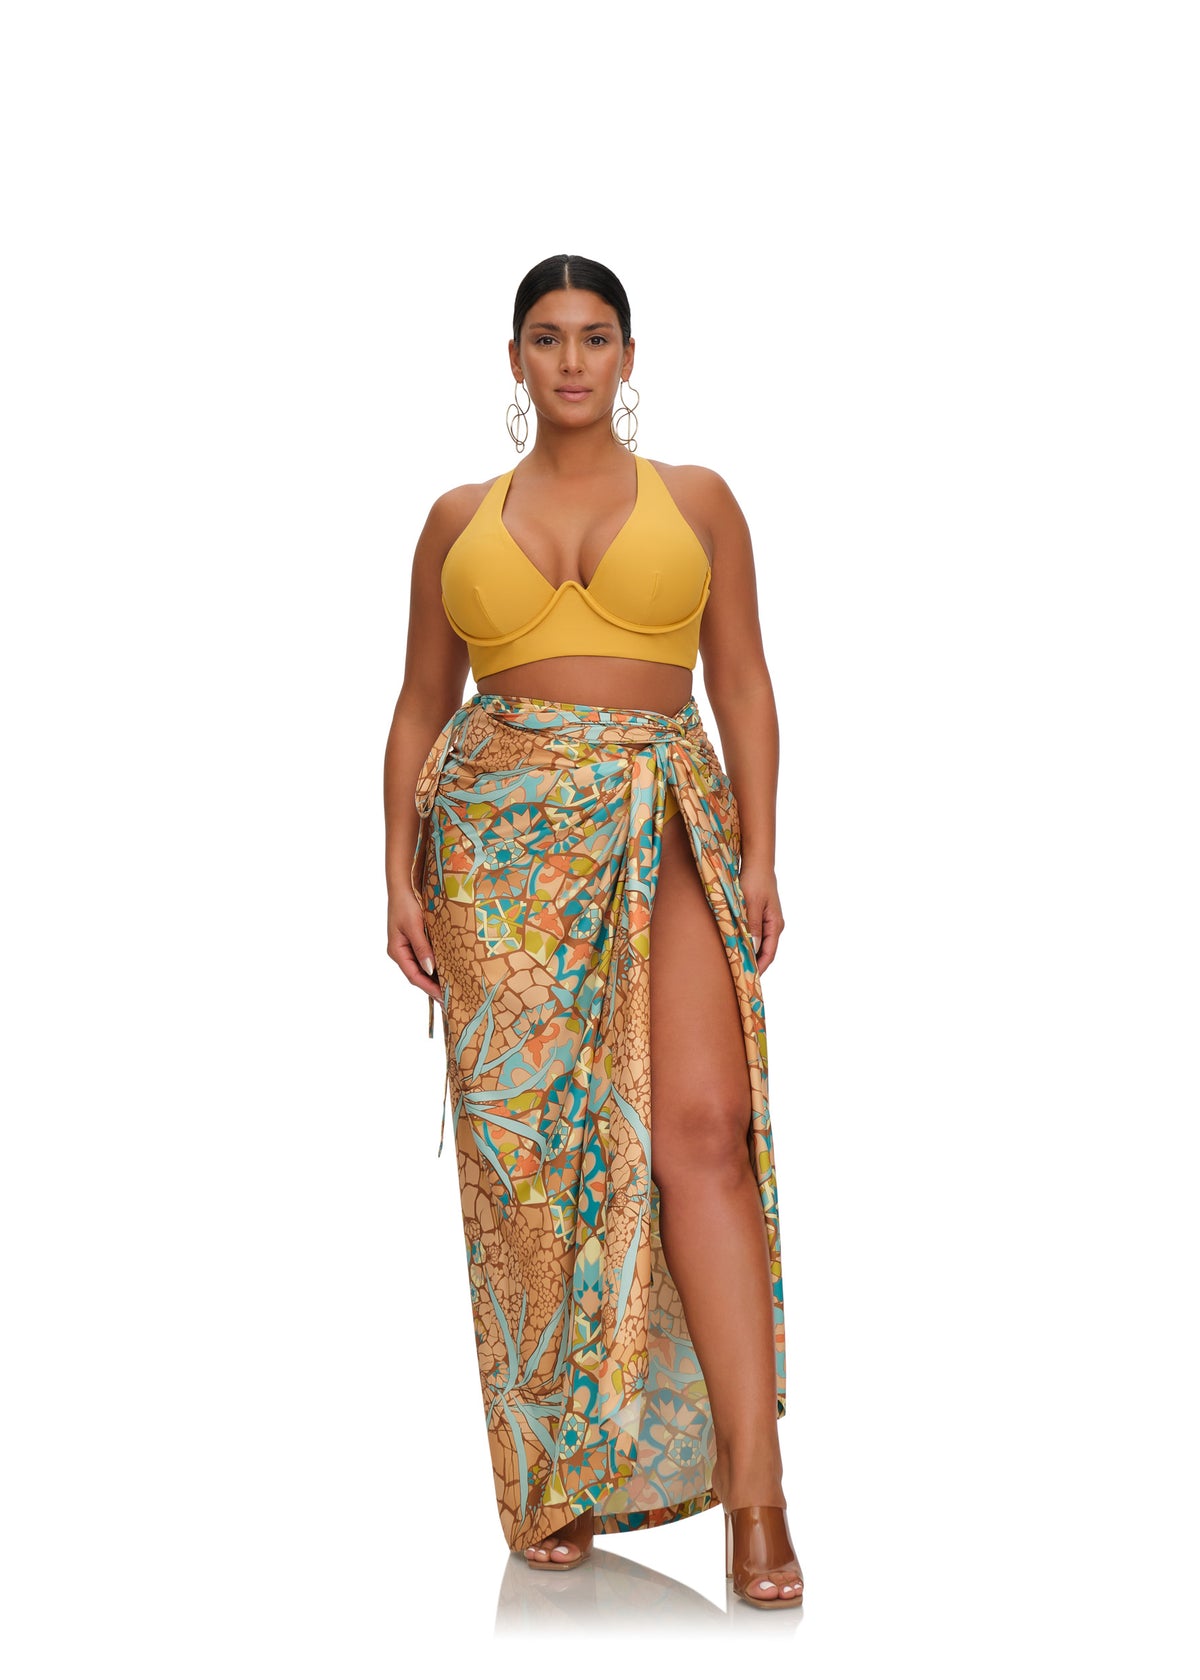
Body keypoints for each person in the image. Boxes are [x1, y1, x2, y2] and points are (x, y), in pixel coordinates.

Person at [383, 255, 803, 1609]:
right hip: (494, 853)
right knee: (529, 1173)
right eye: (548, 338)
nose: (573, 360)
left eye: (596, 336)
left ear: (628, 355)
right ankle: (555, 1477)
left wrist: (761, 852)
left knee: (700, 1136)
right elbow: (418, 703)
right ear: (515, 359)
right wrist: (395, 874)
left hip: (656, 814)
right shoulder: (457, 519)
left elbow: (742, 680)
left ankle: (757, 1495)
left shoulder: (699, 500)